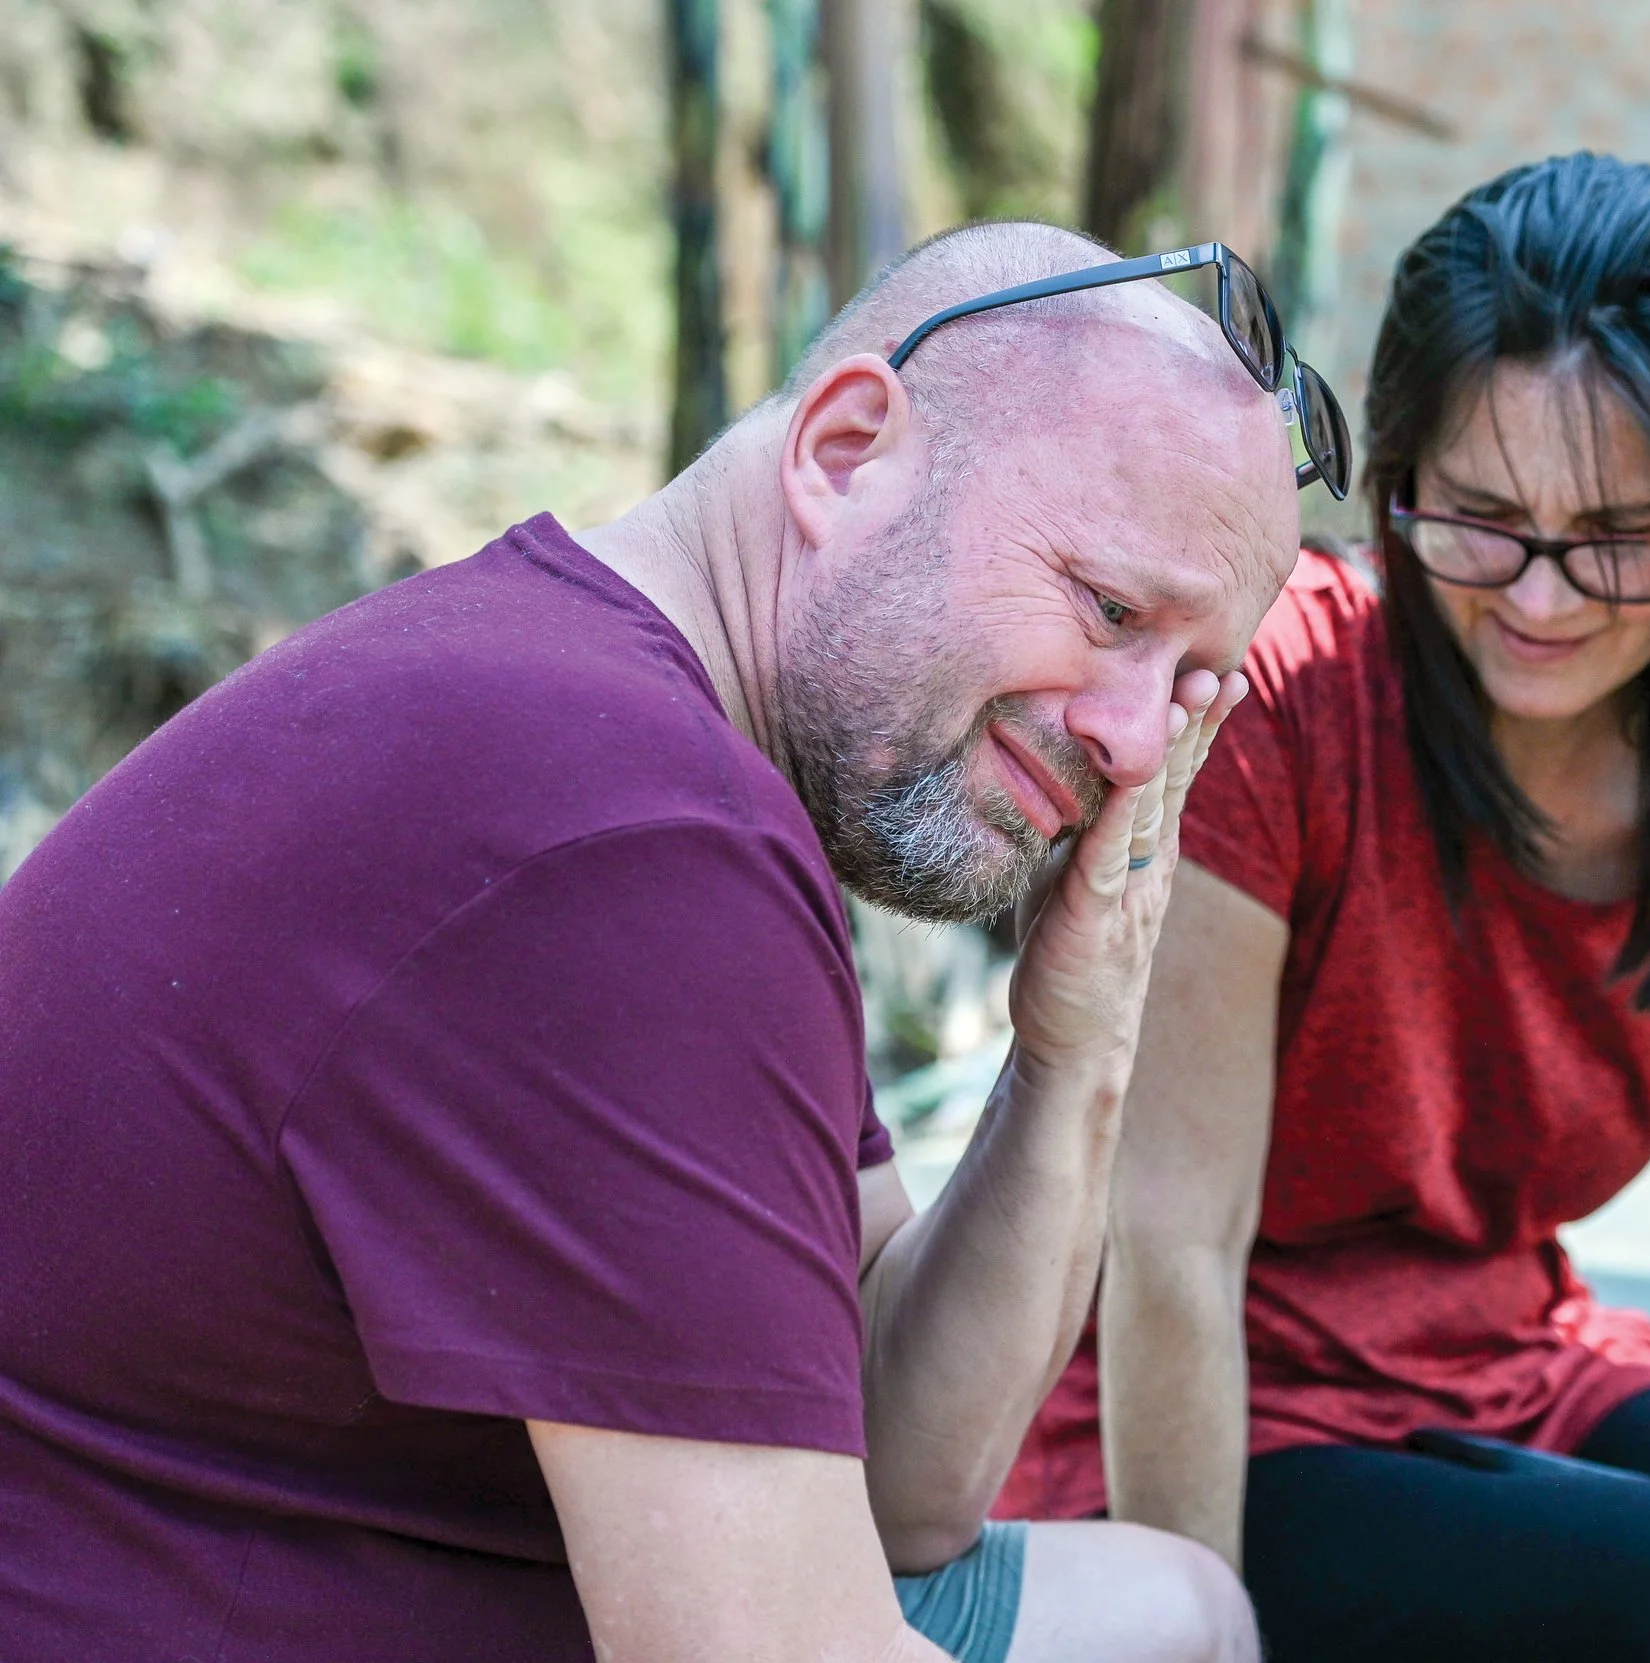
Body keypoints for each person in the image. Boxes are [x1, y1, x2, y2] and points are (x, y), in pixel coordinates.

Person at [0, 221, 1338, 1663]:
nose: (1135, 741)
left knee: (1179, 1608)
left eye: (1192, 682)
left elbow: (899, 1477)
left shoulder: (626, 732)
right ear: (845, 453)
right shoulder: (630, 838)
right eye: (1110, 608)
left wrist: (1077, 1046)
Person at [998, 155, 1650, 1661]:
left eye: (1616, 537)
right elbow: (1170, 1253)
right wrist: (1194, 1631)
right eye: (1476, 516)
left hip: (1507, 1369)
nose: (1538, 600)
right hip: (1184, 1429)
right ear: (1398, 479)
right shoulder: (1280, 712)